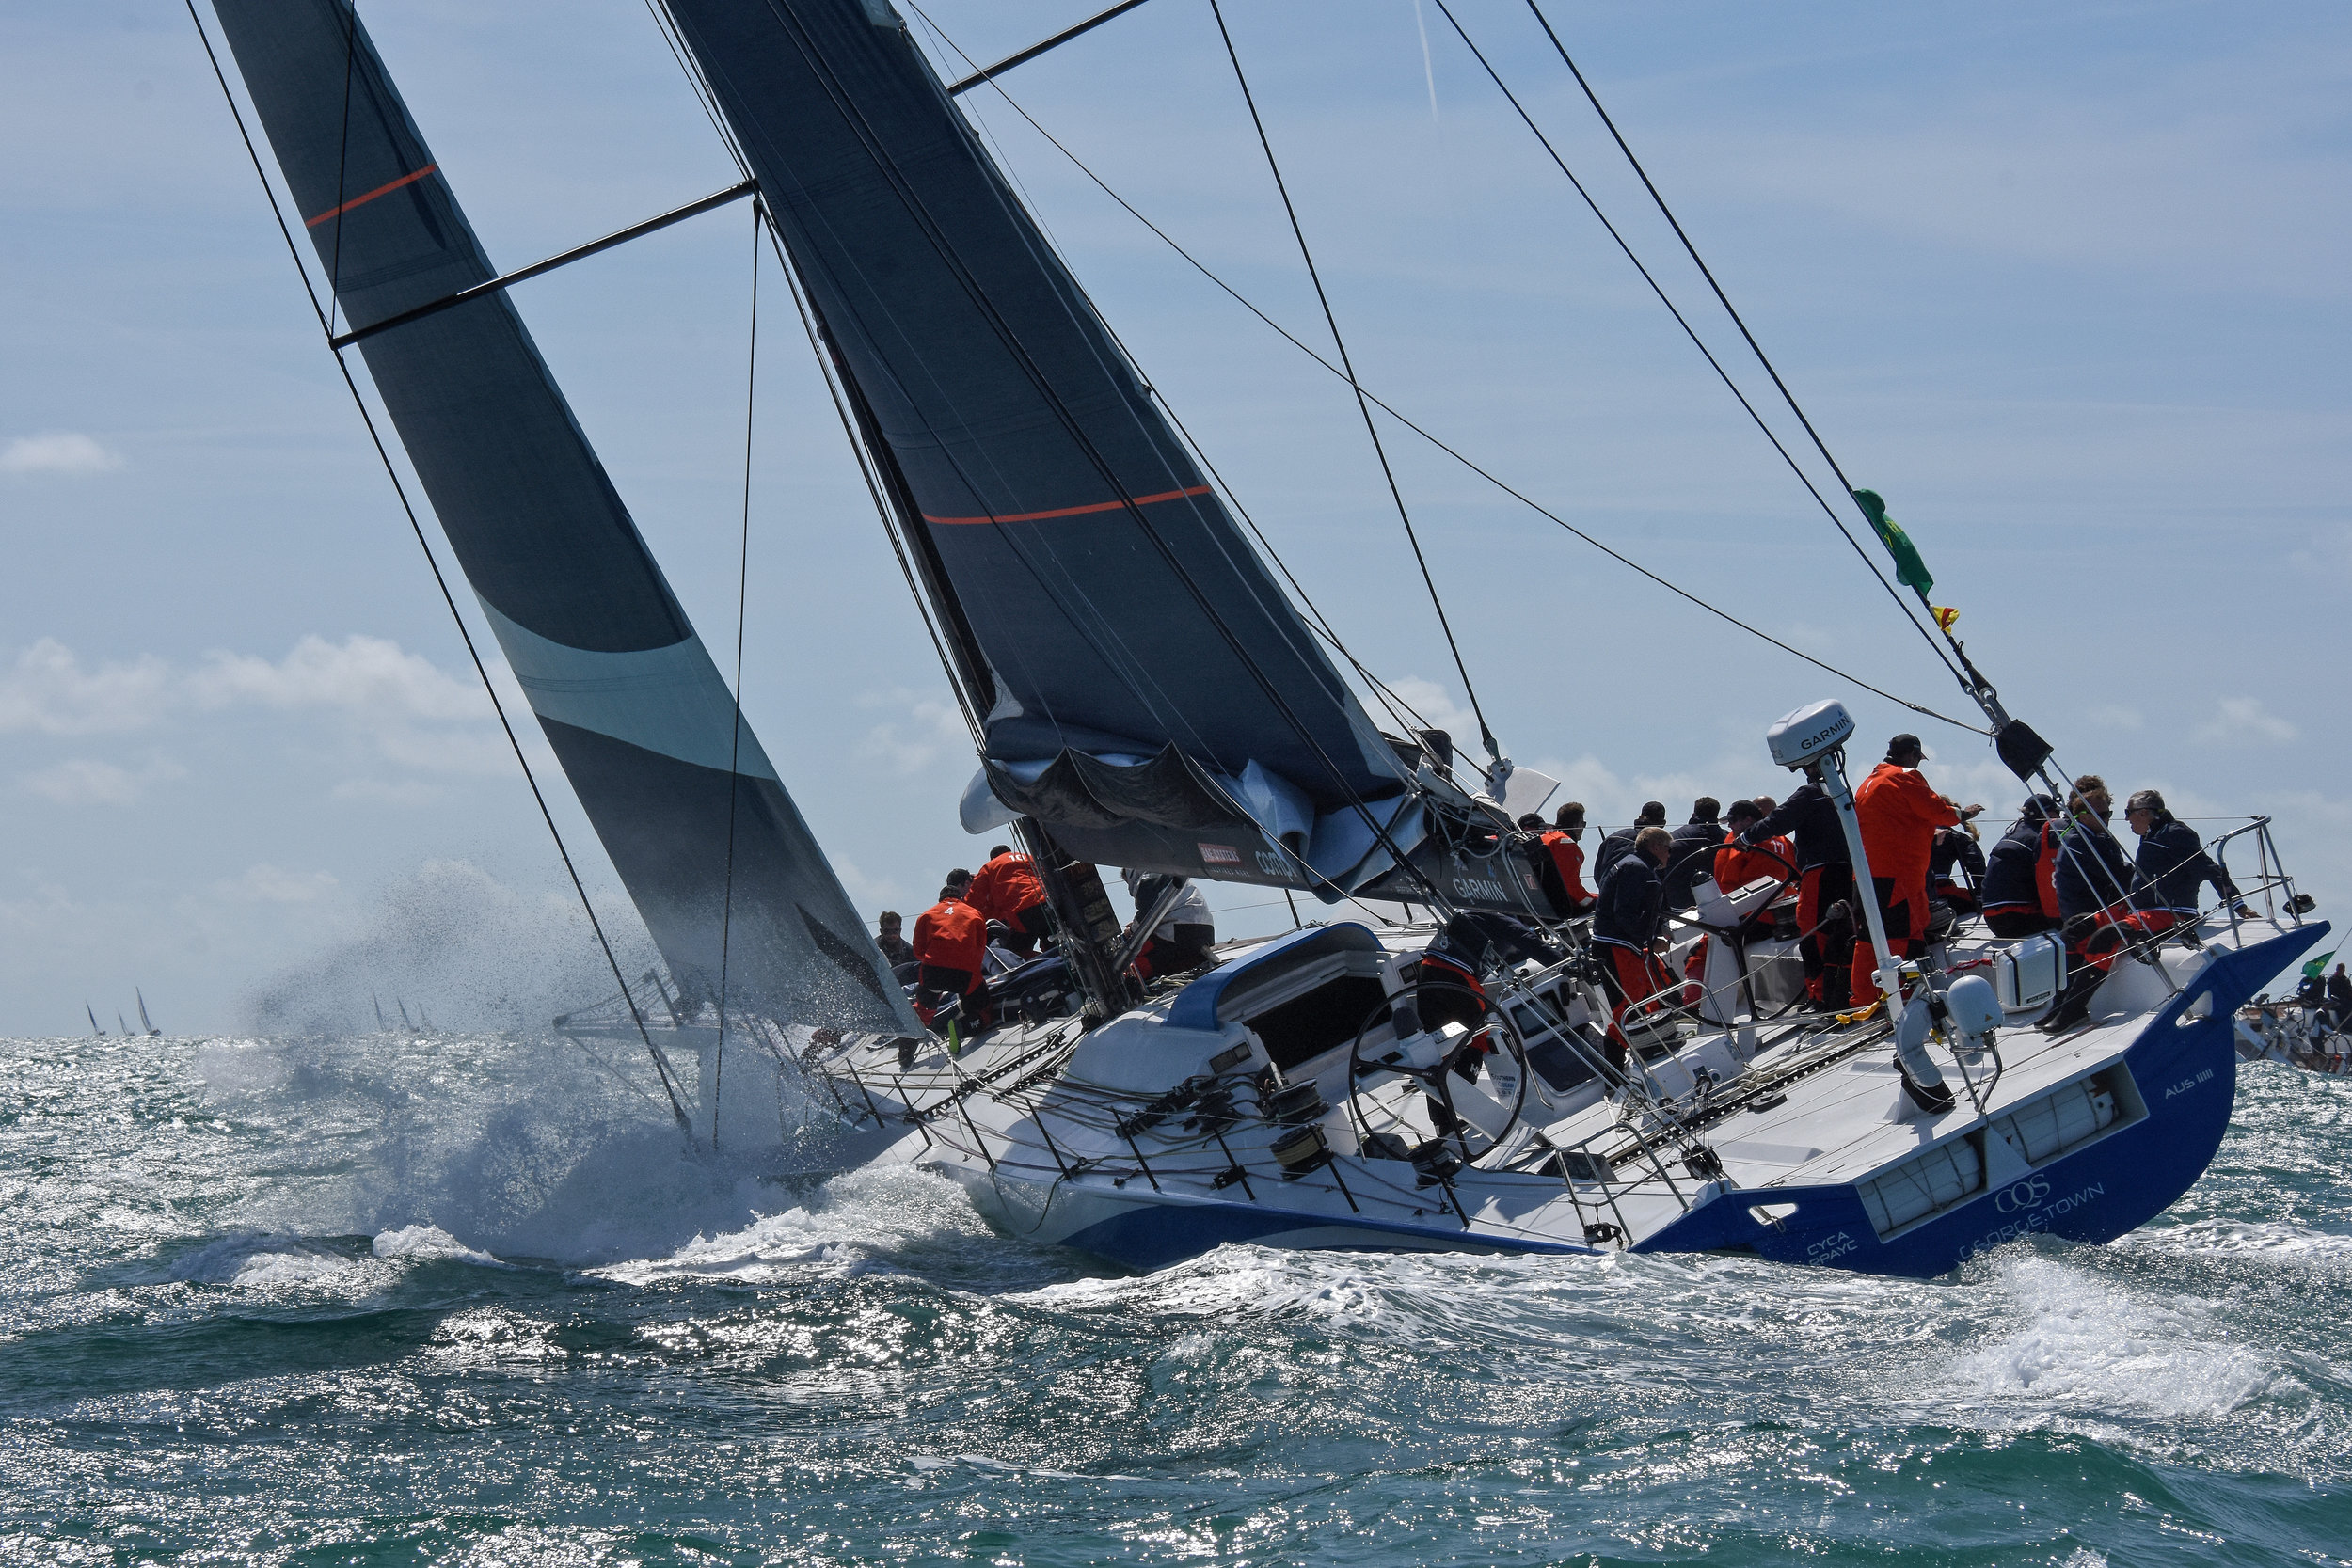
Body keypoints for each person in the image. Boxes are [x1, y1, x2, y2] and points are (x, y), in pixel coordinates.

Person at [1850, 734, 1978, 1005]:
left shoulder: (1868, 783)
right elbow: (1935, 810)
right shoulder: (1905, 776)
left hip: (1865, 875)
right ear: (1910, 755)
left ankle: (1863, 1000)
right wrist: (1962, 814)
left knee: (1869, 937)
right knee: (1905, 935)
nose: (1919, 764)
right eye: (1918, 758)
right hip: (1898, 874)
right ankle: (1906, 999)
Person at [2040, 784, 2154, 1034]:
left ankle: (2064, 1004)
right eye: (2101, 815)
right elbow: (2114, 875)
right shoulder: (2081, 841)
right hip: (2088, 910)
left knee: (2074, 936)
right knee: (2086, 938)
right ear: (2082, 815)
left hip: (2084, 911)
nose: (2107, 820)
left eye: (2109, 814)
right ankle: (2069, 1007)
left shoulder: (2089, 837)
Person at [1746, 779, 1855, 1008]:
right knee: (1840, 933)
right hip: (1849, 870)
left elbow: (1781, 820)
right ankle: (1842, 992)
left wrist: (1746, 838)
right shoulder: (1841, 792)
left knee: (1813, 935)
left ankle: (1822, 998)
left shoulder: (1809, 794)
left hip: (1820, 873)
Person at [1592, 825, 1678, 1072]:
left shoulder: (1632, 864)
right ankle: (1614, 1073)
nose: (1670, 855)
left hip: (1617, 945)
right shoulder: (1638, 869)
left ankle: (1626, 1065)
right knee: (1628, 1008)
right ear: (1656, 847)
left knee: (1636, 1001)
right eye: (1668, 849)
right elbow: (1626, 915)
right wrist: (1651, 940)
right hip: (1617, 947)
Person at [2124, 789, 2253, 931]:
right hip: (2145, 913)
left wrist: (2238, 905)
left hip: (2170, 915)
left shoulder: (2173, 833)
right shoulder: (2152, 835)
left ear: (2143, 812)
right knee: (2097, 926)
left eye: (2128, 812)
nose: (2126, 819)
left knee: (2108, 936)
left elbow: (2209, 869)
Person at [911, 884, 989, 1031]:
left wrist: (938, 959)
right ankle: (967, 1025)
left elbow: (918, 951)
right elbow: (980, 948)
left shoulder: (927, 915)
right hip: (964, 971)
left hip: (933, 970)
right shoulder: (974, 913)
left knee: (924, 1008)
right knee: (979, 1003)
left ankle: (908, 1047)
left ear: (940, 900)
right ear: (960, 898)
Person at [1981, 796, 2061, 938]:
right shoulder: (2040, 837)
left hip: (1993, 920)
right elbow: (2048, 881)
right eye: (2057, 812)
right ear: (2047, 814)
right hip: (2019, 917)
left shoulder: (2013, 833)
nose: (2059, 817)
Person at [1120, 867, 1215, 979]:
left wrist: (1130, 932)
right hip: (1201, 930)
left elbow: (1146, 915)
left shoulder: (1148, 879)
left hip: (1181, 932)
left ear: (1131, 875)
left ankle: (1131, 977)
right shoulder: (1165, 872)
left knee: (1137, 954)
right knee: (1149, 942)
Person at [966, 843, 1054, 957]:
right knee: (1055, 943)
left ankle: (1042, 966)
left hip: (1022, 912)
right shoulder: (1028, 857)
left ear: (993, 858)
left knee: (1015, 952)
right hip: (1048, 903)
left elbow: (974, 899)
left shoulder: (990, 867)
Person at [1535, 801, 1597, 917]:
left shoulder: (1545, 838)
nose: (1583, 828)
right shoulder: (1565, 843)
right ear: (1576, 824)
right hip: (1556, 906)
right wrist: (1592, 902)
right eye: (1583, 823)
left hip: (1539, 900)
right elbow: (1570, 884)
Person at [1595, 801, 1666, 885]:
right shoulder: (1659, 847)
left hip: (1608, 892)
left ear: (1640, 817)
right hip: (1639, 895)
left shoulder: (1613, 838)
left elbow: (1597, 874)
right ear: (1663, 823)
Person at [1930, 821, 1986, 914]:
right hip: (1942, 892)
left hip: (1910, 894)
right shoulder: (1956, 837)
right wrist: (1981, 893)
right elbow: (1976, 865)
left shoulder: (1911, 831)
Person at [2329, 963, 2352, 1033]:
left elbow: (2349, 991)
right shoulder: (2332, 979)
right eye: (2338, 969)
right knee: (2343, 1007)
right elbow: (2332, 993)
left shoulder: (2346, 980)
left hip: (2346, 999)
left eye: (2341, 969)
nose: (2340, 970)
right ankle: (2345, 1027)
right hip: (2335, 999)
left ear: (2344, 970)